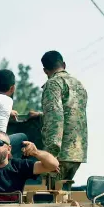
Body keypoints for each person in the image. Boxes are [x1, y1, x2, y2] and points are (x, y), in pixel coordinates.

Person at [29, 50, 88, 187]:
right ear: (64, 65)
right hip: (77, 152)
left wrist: (50, 153)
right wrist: (41, 115)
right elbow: (71, 113)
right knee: (64, 196)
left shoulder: (53, 84)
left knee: (50, 198)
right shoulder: (79, 85)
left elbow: (55, 116)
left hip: (60, 153)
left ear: (45, 70)